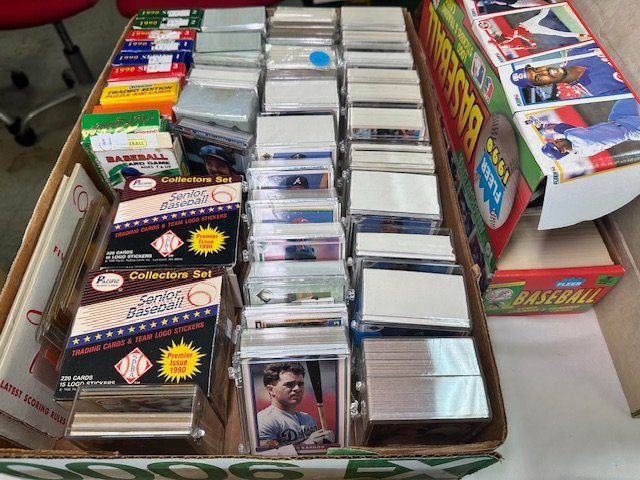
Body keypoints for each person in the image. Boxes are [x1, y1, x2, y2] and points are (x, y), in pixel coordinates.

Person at [529, 98, 640, 159]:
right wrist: (544, 129)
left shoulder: (580, 151)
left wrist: (546, 128)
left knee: (628, 94)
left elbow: (569, 130)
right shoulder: (581, 143)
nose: (556, 139)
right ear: (563, 150)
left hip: (618, 119)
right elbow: (563, 128)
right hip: (633, 129)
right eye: (556, 143)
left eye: (554, 141)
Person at [257, 362, 334, 449]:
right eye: (290, 385)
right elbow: (268, 453)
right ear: (271, 390)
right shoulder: (264, 420)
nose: (297, 388)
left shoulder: (308, 419)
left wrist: (326, 443)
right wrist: (306, 445)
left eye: (300, 384)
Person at [509, 45, 629, 99]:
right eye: (538, 78)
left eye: (536, 69)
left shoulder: (574, 53)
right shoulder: (596, 91)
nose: (543, 72)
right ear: (545, 85)